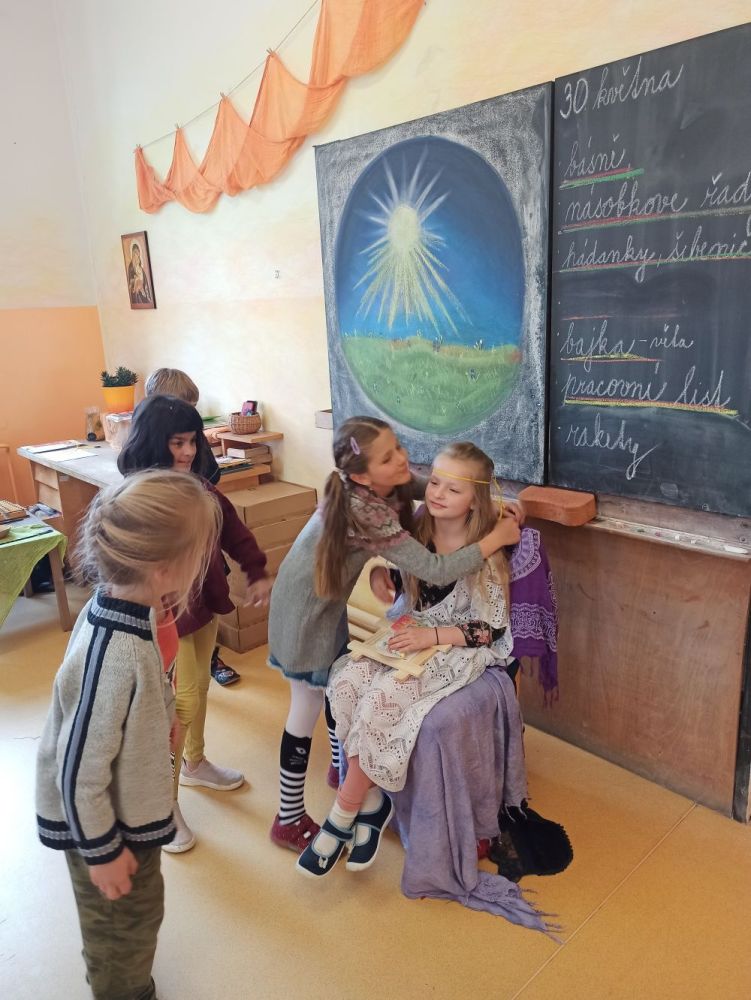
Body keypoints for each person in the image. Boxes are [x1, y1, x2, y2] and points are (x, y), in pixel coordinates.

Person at [267, 417, 520, 854]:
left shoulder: (380, 483)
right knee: (308, 704)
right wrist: (495, 536)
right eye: (389, 458)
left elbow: (434, 485)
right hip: (305, 615)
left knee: (335, 686)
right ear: (363, 477)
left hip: (325, 605)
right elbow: (436, 570)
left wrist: (499, 504)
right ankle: (288, 817)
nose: (403, 460)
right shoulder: (367, 511)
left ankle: (344, 773)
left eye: (399, 447)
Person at [36, 470, 221, 1000]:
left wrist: (161, 715)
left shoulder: (134, 613)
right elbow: (78, 767)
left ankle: (123, 978)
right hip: (102, 828)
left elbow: (142, 685)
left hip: (124, 811)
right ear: (163, 570)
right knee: (121, 929)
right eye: (198, 555)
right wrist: (101, 852)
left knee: (135, 916)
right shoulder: (114, 648)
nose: (202, 564)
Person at [118, 395, 272, 852]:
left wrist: (256, 569)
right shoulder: (141, 497)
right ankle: (161, 806)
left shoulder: (200, 489)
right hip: (165, 618)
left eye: (192, 442)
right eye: (177, 443)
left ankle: (195, 763)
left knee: (198, 688)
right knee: (179, 704)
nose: (187, 452)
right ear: (153, 442)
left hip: (200, 608)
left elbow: (233, 529)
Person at [144, 367, 239, 685]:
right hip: (174, 554)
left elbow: (212, 475)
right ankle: (178, 669)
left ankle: (210, 657)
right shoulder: (151, 450)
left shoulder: (192, 440)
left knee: (208, 598)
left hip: (201, 537)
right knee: (181, 615)